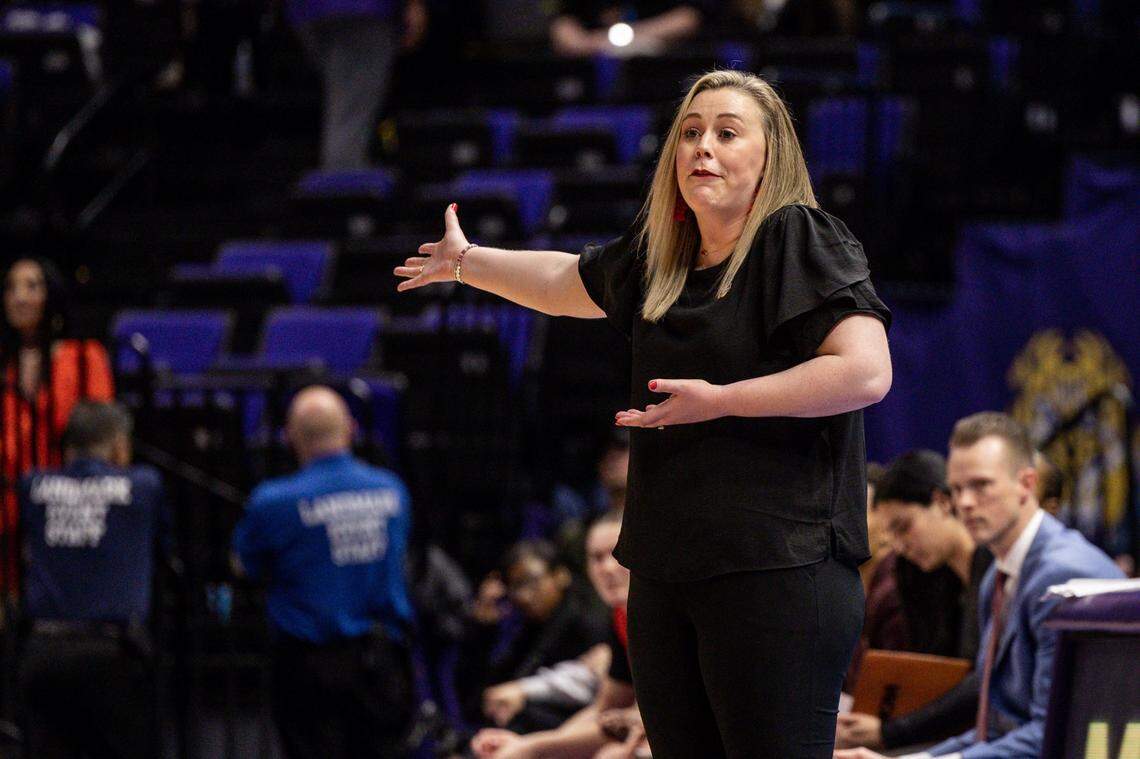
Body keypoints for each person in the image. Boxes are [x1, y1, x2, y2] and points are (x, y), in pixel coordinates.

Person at [396, 69, 893, 758]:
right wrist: (468, 264)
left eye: (726, 132)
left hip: (778, 570)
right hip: (664, 571)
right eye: (689, 133)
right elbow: (567, 282)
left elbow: (866, 371)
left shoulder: (798, 237)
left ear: (770, 154)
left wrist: (722, 401)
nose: (701, 148)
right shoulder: (662, 257)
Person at [835, 412, 1125, 759]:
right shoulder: (995, 578)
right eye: (958, 488)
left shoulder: (1060, 575)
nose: (966, 503)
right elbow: (994, 727)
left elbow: (1054, 733)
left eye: (981, 485)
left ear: (1027, 485)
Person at [231, 385, 414, 758]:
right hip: (380, 662)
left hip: (308, 668)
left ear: (289, 437)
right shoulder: (391, 489)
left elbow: (242, 565)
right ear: (350, 428)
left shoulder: (273, 500)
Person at [18, 401, 168, 759]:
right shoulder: (144, 486)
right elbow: (163, 543)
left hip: (44, 653)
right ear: (119, 446)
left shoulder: (32, 486)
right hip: (112, 657)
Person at [838, 450, 994, 751]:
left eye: (903, 527)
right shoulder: (925, 580)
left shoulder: (994, 568)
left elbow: (983, 686)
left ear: (941, 502)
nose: (899, 545)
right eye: (891, 534)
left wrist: (890, 733)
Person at [472, 509, 645, 759]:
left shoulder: (658, 619)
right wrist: (526, 745)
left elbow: (648, 720)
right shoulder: (620, 618)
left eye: (617, 553)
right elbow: (606, 710)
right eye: (596, 558)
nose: (607, 567)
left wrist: (532, 748)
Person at [2, 257, 114, 592]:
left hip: (68, 499)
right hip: (9, 498)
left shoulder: (83, 357)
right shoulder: (5, 365)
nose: (19, 297)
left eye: (31, 286)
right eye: (10, 287)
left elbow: (100, 434)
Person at [459, 539, 610, 731]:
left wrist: (523, 693)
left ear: (561, 576)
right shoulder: (530, 628)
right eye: (514, 586)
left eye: (531, 582)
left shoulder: (589, 621)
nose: (523, 595)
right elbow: (479, 700)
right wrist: (483, 630)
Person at [287, 0, 428, 170]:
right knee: (351, 112)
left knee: (344, 100)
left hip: (308, 12)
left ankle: (342, 179)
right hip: (361, 10)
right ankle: (343, 187)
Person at [550, 1, 706, 57]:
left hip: (661, 70)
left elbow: (687, 19)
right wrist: (599, 43)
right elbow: (563, 29)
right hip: (599, 71)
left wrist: (631, 35)